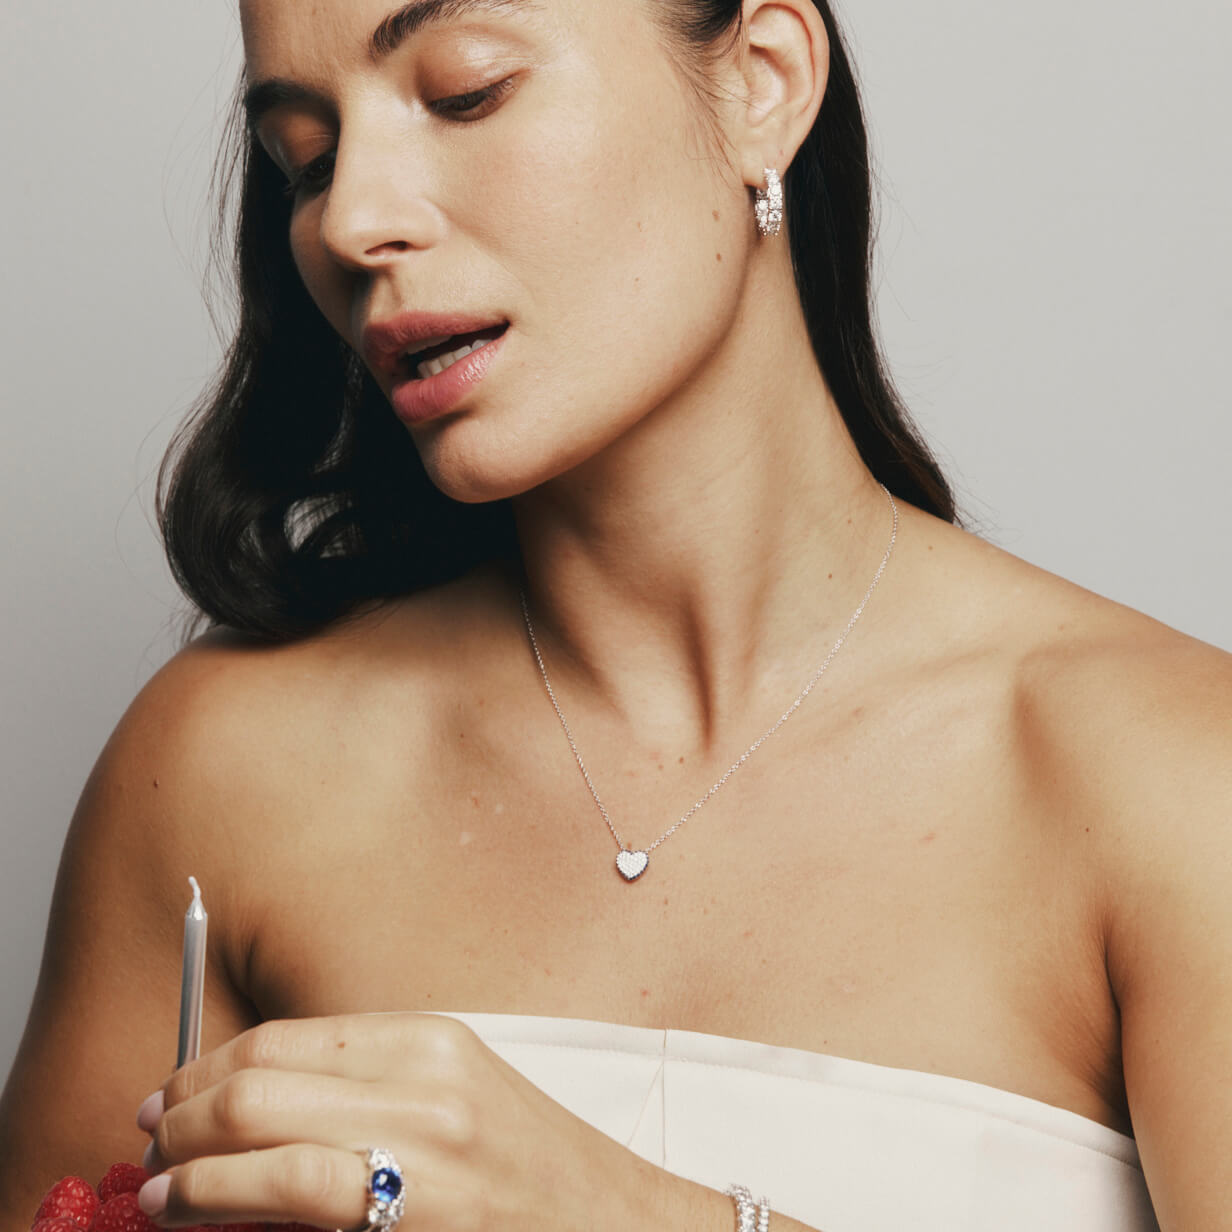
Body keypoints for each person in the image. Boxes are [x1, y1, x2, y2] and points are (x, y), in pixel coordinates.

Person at [0, 0, 1227, 1228]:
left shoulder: (1167, 778)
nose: (351, 221)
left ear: (760, 81)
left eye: (466, 92)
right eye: (306, 162)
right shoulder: (223, 771)